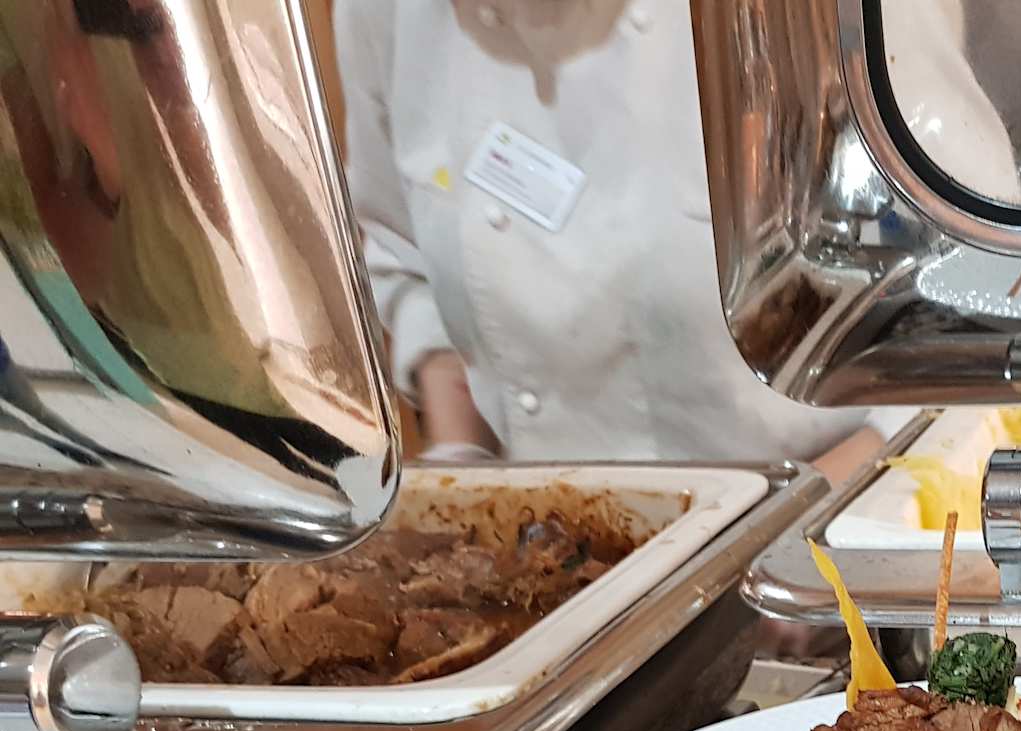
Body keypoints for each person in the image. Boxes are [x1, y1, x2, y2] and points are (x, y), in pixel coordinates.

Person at [335, 0, 897, 471]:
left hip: (838, 516)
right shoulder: (384, 12)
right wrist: (463, 458)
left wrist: (798, 527)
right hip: (559, 532)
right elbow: (402, 250)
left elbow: (937, 309)